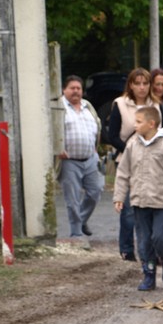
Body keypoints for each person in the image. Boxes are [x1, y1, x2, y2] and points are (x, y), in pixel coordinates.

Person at [112, 107, 163, 291]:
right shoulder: (132, 144)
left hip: (161, 201)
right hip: (139, 201)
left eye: (138, 122)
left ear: (151, 124)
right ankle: (149, 274)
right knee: (144, 240)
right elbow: (123, 172)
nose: (135, 125)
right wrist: (119, 196)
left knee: (160, 237)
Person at [107, 68, 160, 261]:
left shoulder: (155, 105)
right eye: (137, 83)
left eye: (145, 83)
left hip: (152, 163)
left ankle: (151, 249)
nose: (141, 87)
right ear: (130, 85)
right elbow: (112, 135)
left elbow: (162, 133)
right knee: (129, 208)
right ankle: (127, 248)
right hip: (127, 161)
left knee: (152, 206)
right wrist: (131, 150)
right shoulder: (120, 104)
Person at [57, 75, 104, 239]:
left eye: (79, 88)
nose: (76, 91)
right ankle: (76, 233)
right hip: (69, 160)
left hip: (90, 158)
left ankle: (82, 219)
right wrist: (57, 149)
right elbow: (50, 129)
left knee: (95, 191)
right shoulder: (59, 107)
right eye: (72, 88)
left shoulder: (87, 106)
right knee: (72, 199)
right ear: (64, 89)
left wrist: (95, 149)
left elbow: (97, 126)